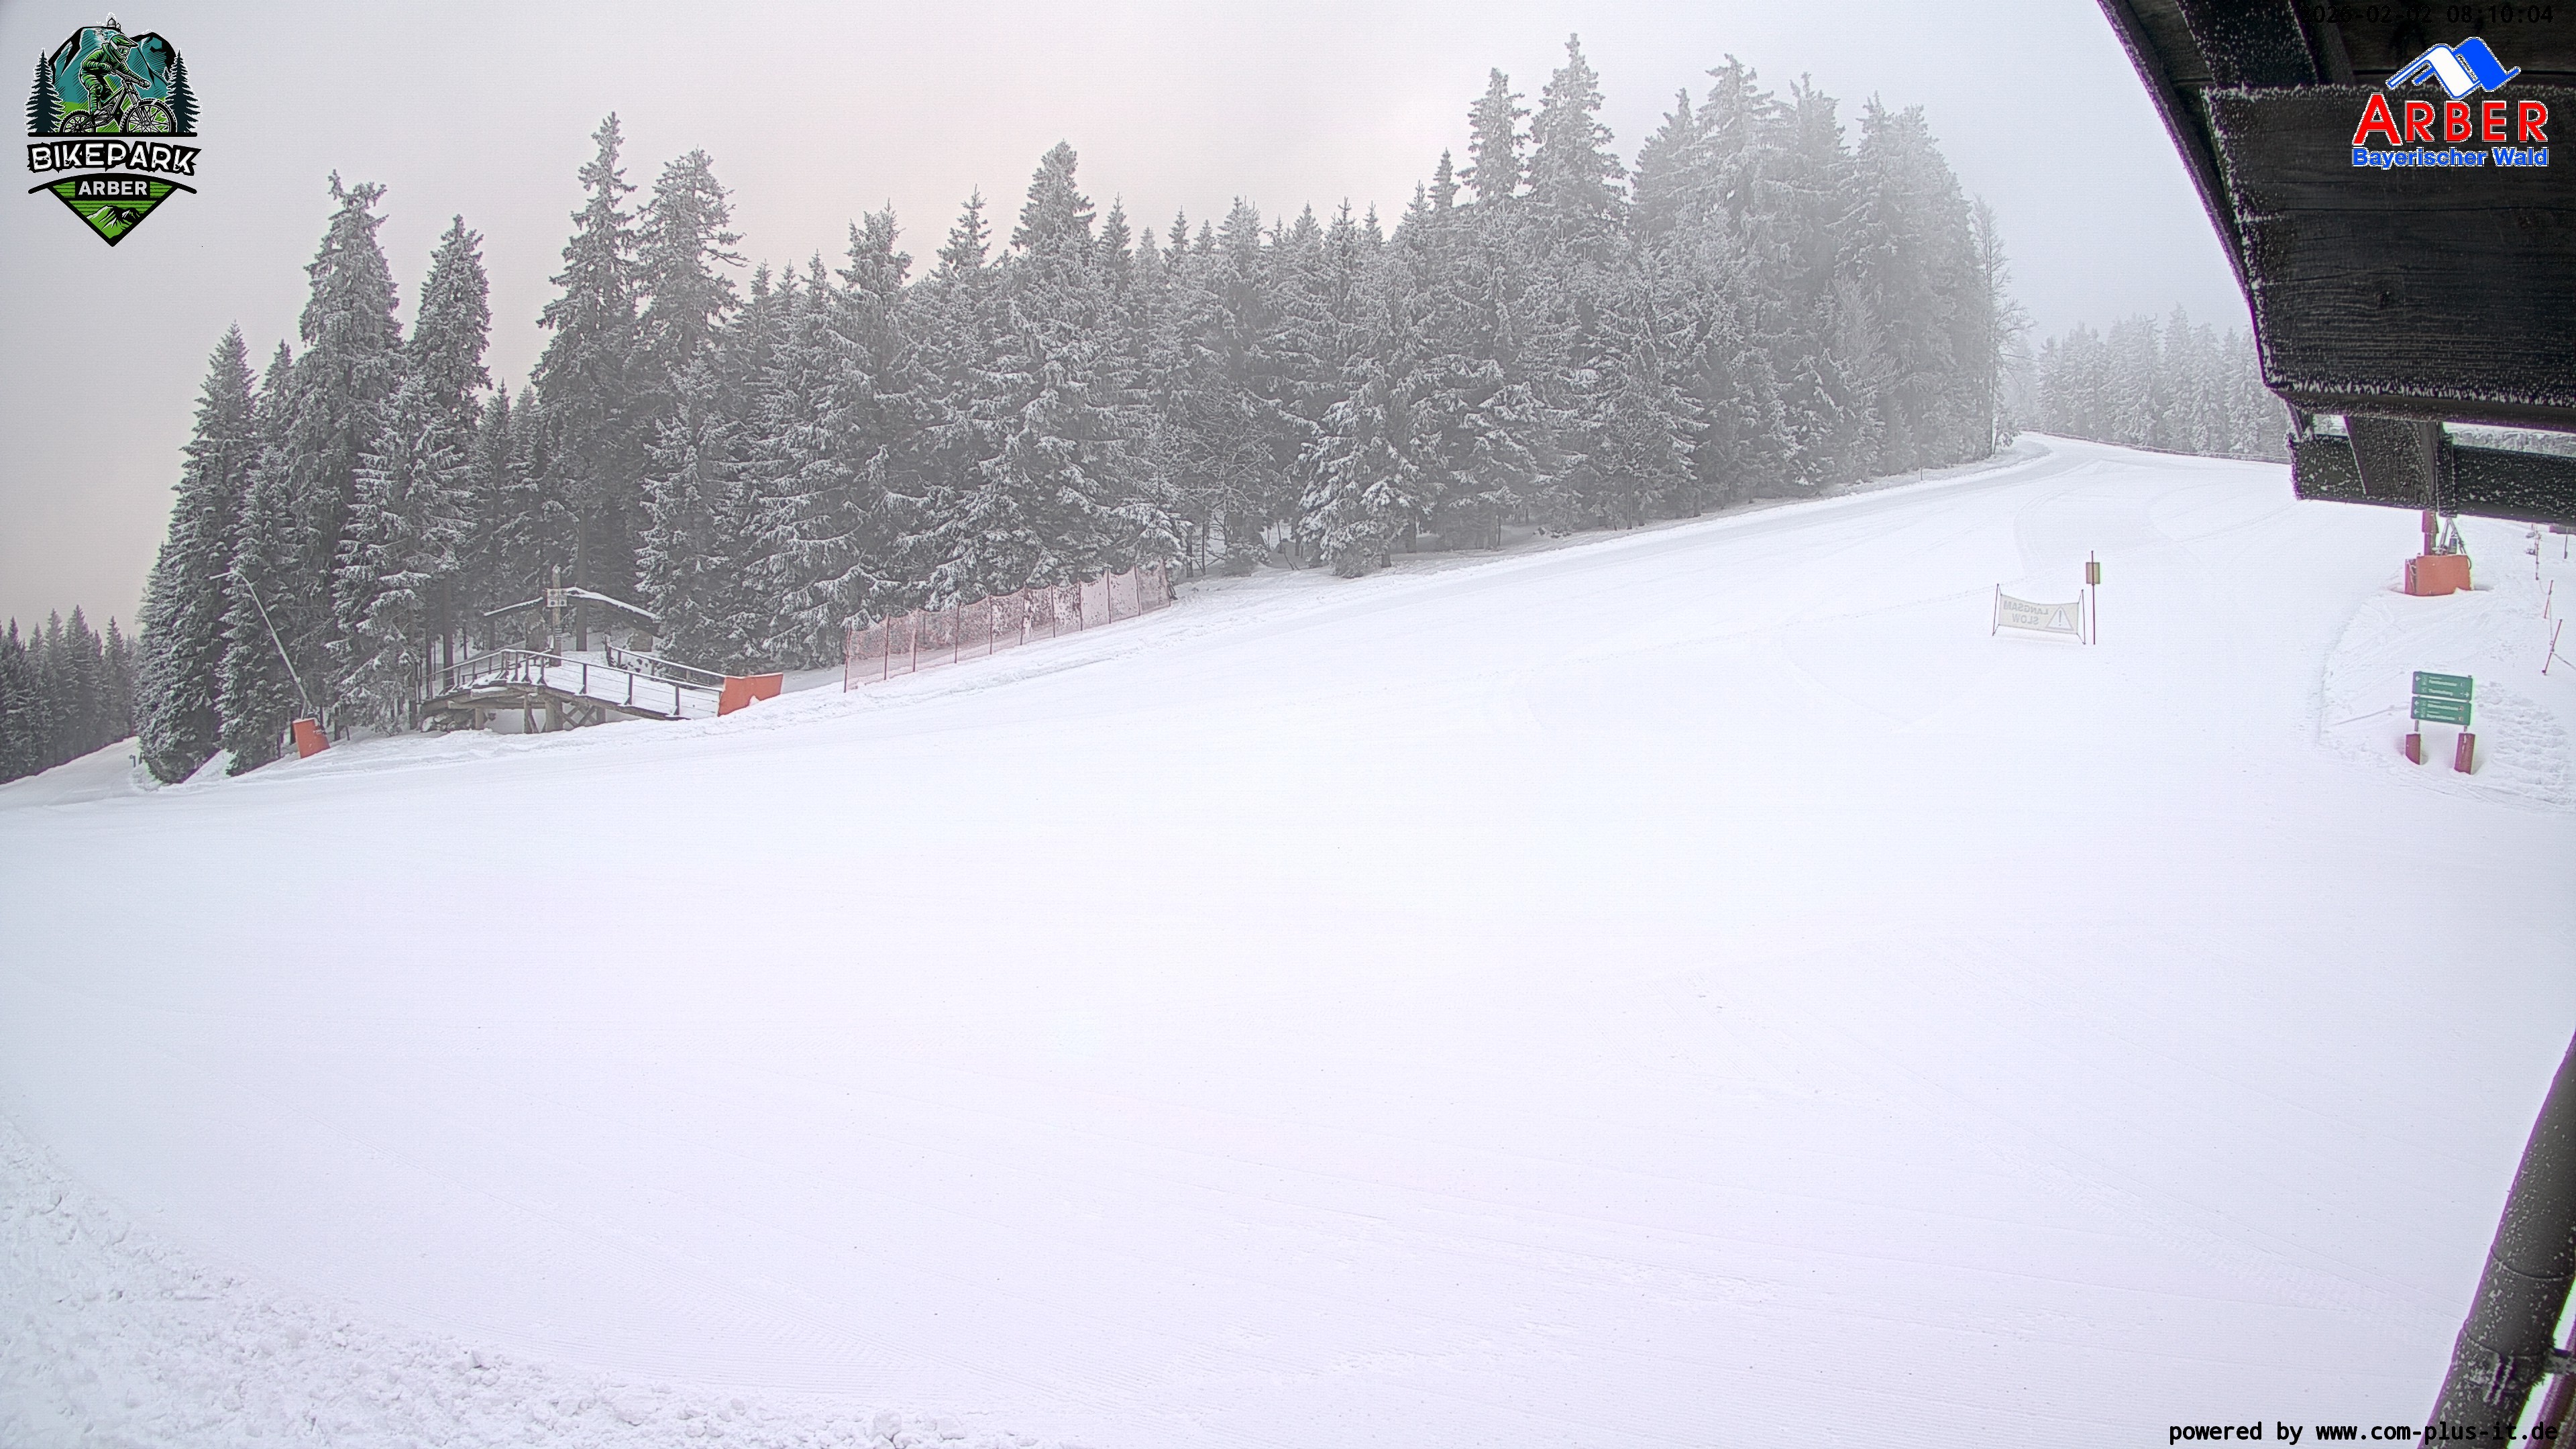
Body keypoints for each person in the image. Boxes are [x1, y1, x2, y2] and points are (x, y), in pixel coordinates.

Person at [77, 19, 148, 127]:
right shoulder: (101, 53)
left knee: (114, 106)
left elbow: (128, 72)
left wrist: (140, 81)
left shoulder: (118, 62)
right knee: (97, 87)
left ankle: (123, 128)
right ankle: (94, 112)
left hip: (100, 77)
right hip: (88, 74)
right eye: (122, 50)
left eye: (127, 52)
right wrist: (101, 65)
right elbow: (85, 64)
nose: (125, 54)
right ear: (114, 48)